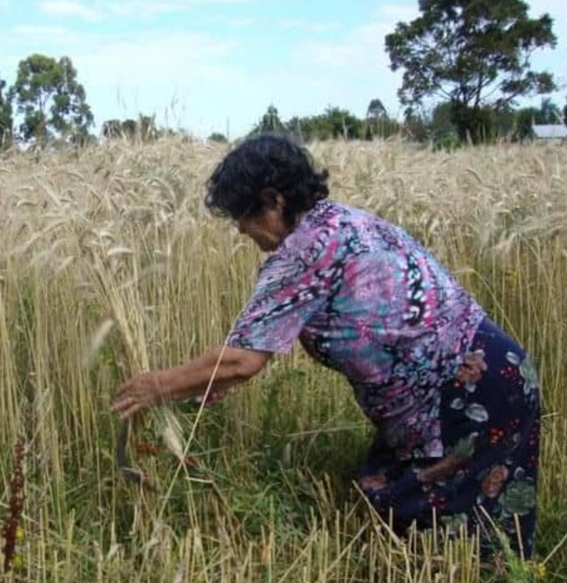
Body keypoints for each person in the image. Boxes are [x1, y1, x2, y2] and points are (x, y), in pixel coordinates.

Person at [110, 134, 541, 558]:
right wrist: (205, 378)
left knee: (456, 545)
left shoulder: (303, 253)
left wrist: (157, 386)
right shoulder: (340, 221)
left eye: (242, 213)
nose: (239, 227)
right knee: (411, 515)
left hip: (467, 396)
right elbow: (254, 346)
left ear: (274, 200)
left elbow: (241, 360)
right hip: (492, 370)